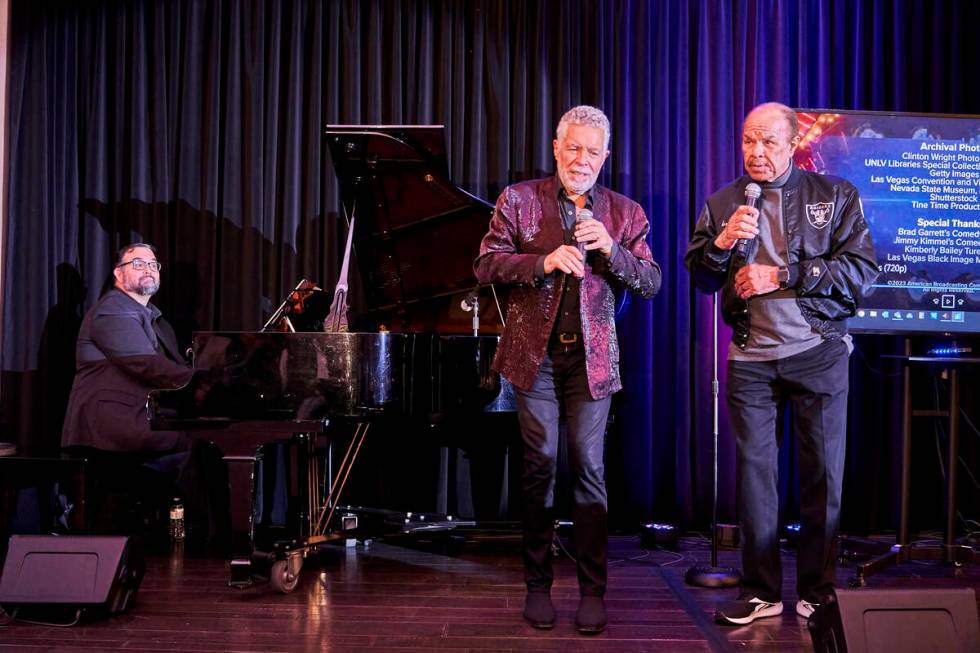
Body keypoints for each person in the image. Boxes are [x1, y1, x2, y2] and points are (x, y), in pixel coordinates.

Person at [685, 102, 878, 625]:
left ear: (792, 144)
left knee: (821, 478)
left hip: (817, 350)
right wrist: (722, 244)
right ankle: (762, 591)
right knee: (755, 480)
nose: (757, 152)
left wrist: (785, 274)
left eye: (769, 142)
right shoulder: (724, 201)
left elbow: (861, 268)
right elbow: (700, 278)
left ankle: (818, 590)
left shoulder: (833, 194)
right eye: (749, 140)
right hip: (749, 358)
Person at [474, 105, 661, 634]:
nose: (581, 159)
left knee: (588, 467)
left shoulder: (626, 213)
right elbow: (485, 263)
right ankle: (537, 585)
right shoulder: (518, 200)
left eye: (592, 151)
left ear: (606, 157)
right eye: (572, 147)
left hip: (593, 362)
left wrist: (614, 253)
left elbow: (651, 282)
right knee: (540, 463)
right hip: (532, 359)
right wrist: (542, 262)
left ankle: (592, 589)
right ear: (556, 147)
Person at [62, 243, 227, 546]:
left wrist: (213, 376)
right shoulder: (112, 308)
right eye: (137, 263)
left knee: (208, 440)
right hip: (111, 425)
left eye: (153, 264)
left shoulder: (154, 319)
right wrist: (202, 379)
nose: (149, 269)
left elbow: (173, 367)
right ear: (117, 273)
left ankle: (202, 532)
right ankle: (204, 536)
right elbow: (146, 364)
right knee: (199, 443)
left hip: (142, 417)